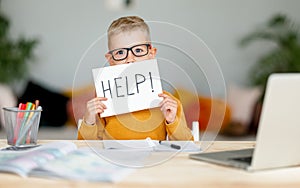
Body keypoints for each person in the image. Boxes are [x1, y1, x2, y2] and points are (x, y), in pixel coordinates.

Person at [78, 16, 193, 140]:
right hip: (112, 158)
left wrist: (172, 121)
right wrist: (89, 121)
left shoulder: (168, 103)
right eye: (120, 53)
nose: (130, 59)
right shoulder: (104, 102)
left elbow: (187, 146)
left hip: (152, 158)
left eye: (138, 50)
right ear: (111, 60)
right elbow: (87, 148)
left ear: (151, 54)